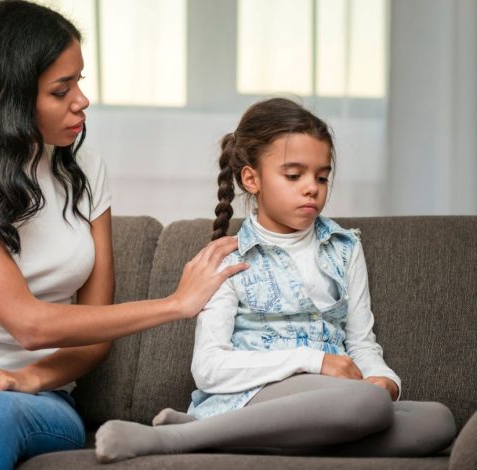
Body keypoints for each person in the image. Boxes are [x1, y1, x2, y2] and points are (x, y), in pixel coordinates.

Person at [0, 1, 246, 469]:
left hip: (38, 398)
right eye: (61, 90)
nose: (81, 100)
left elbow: (93, 337)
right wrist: (175, 304)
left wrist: (27, 379)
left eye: (78, 81)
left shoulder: (84, 169)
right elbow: (28, 324)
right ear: (7, 98)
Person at [94, 98, 457, 463]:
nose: (311, 188)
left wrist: (384, 380)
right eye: (294, 175)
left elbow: (361, 344)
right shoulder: (228, 258)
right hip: (256, 395)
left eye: (321, 176)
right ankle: (177, 438)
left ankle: (241, 437)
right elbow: (208, 369)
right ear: (252, 179)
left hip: (340, 400)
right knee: (365, 402)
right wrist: (314, 361)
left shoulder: (346, 248)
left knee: (436, 420)